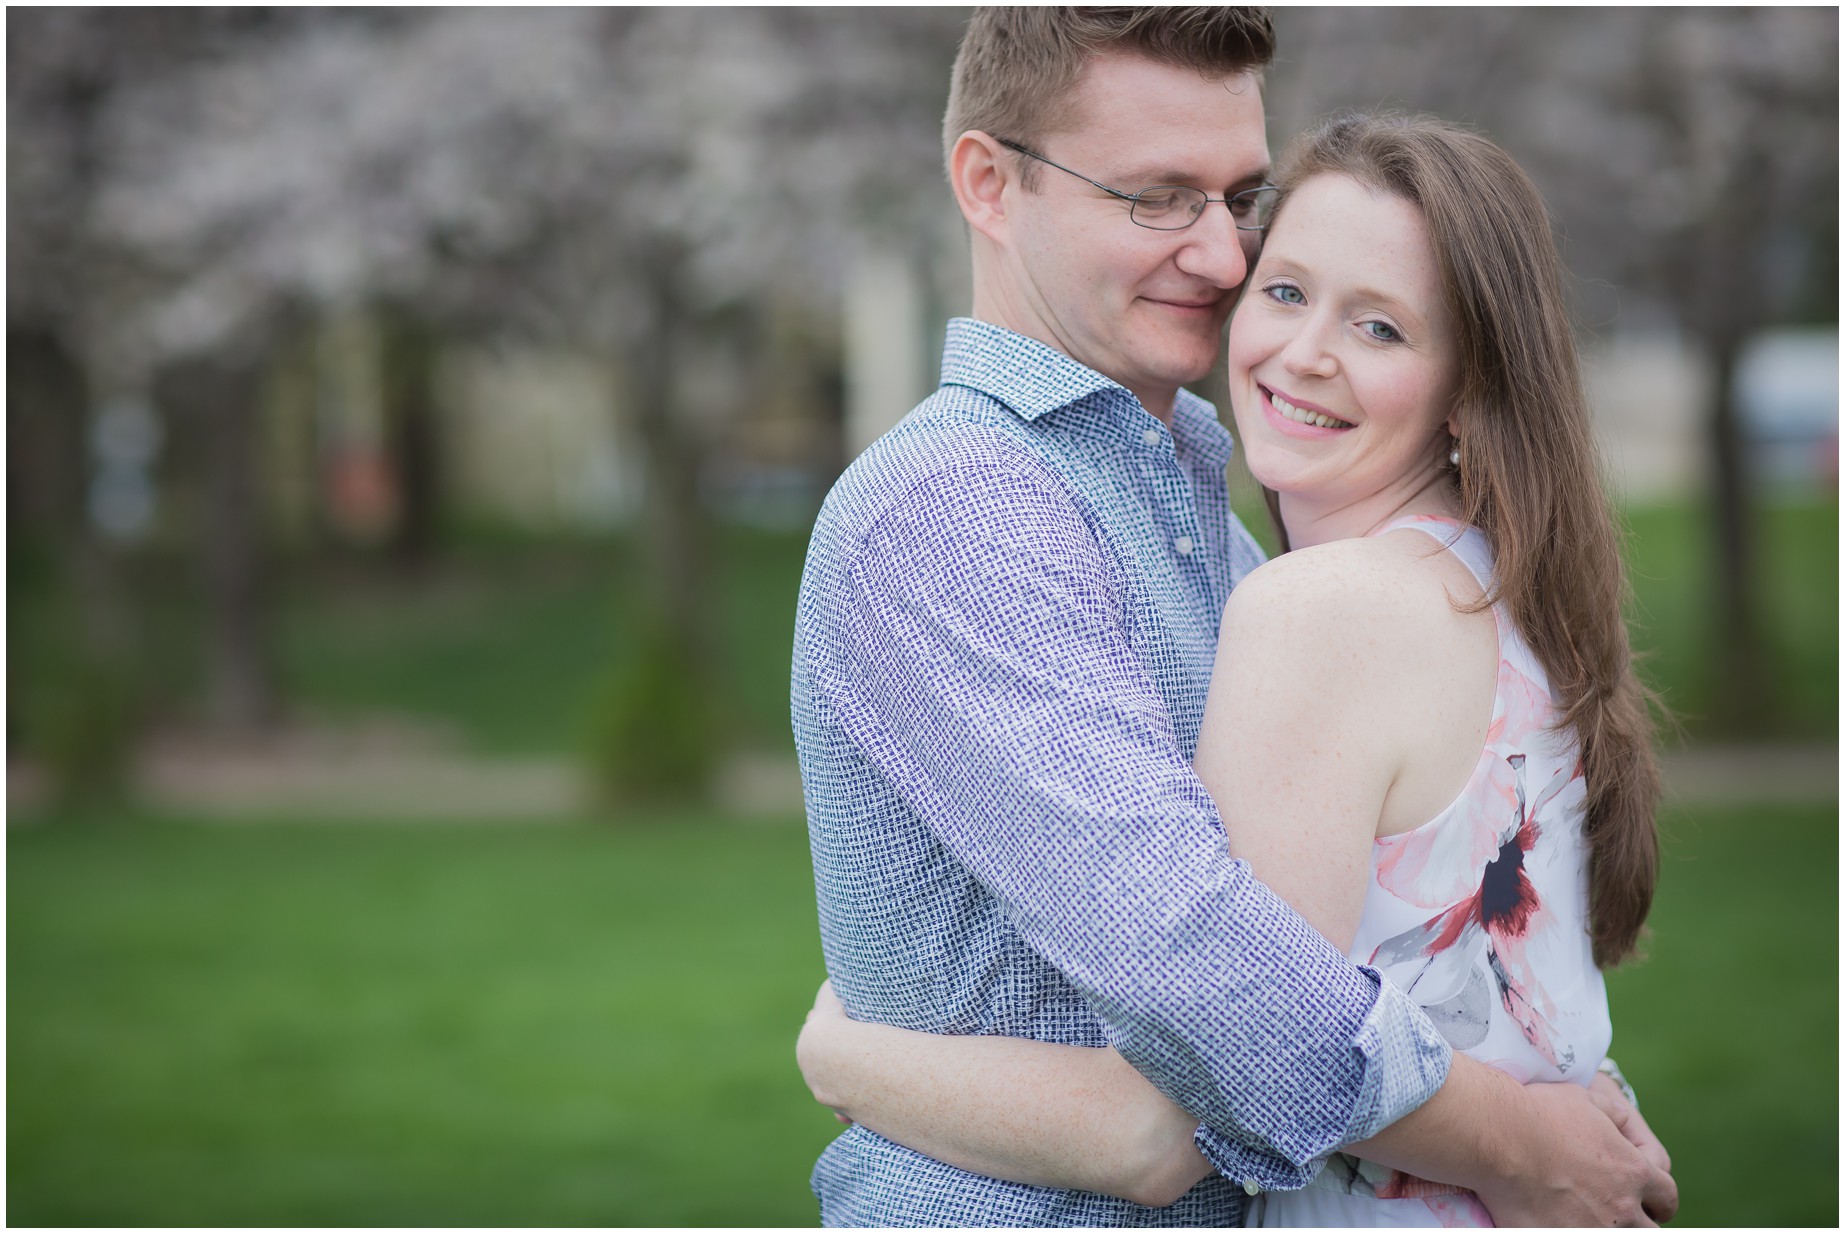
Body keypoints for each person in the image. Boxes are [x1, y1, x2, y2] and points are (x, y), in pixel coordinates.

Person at [791, 9, 1675, 1226]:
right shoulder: (959, 509)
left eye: (1240, 199)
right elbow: (1201, 1012)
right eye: (1157, 197)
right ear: (989, 185)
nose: (1219, 256)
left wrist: (848, 1054)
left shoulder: (1215, 496)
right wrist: (1524, 1137)